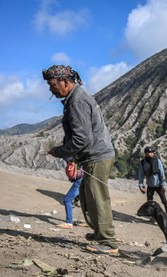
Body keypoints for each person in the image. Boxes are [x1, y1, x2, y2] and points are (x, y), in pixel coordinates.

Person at [43, 65, 118, 253]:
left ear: (65, 82)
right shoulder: (75, 97)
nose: (51, 90)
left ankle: (108, 242)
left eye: (52, 85)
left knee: (97, 198)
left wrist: (60, 151)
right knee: (87, 198)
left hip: (97, 157)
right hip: (92, 157)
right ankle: (99, 232)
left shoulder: (77, 100)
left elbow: (82, 138)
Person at [138, 146, 167, 215]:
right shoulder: (142, 162)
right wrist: (141, 186)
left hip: (158, 184)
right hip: (150, 185)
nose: (152, 154)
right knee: (149, 202)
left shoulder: (157, 161)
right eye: (150, 152)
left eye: (152, 152)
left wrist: (163, 185)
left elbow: (161, 173)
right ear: (145, 153)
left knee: (164, 200)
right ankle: (152, 216)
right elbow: (141, 174)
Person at [57, 161, 83, 229]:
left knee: (67, 199)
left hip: (80, 179)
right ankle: (91, 222)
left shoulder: (71, 155)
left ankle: (69, 223)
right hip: (85, 178)